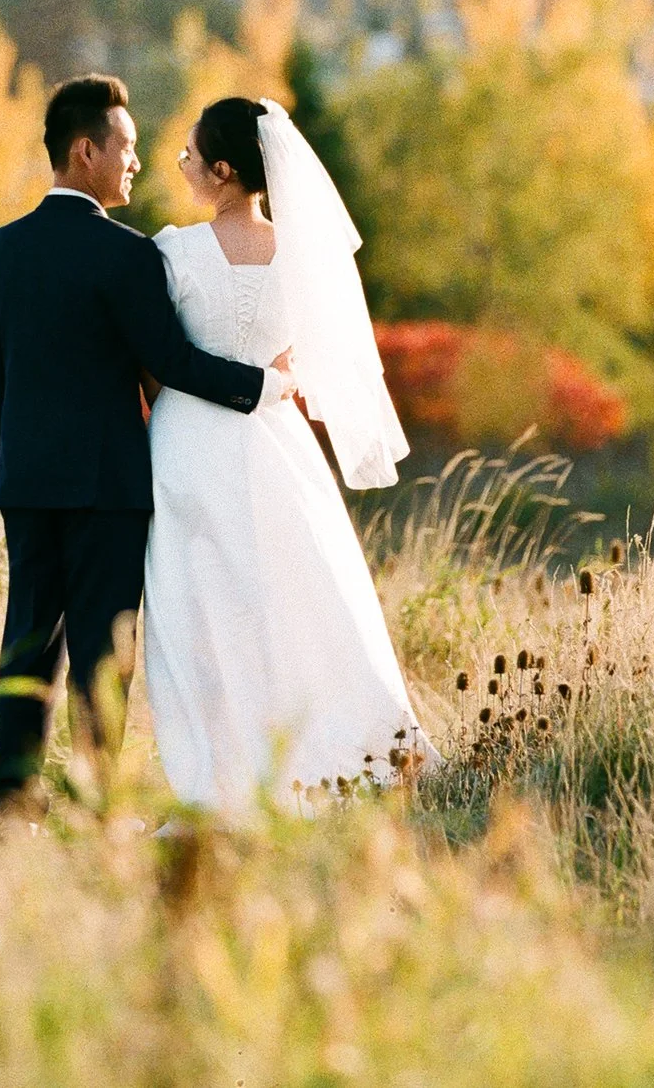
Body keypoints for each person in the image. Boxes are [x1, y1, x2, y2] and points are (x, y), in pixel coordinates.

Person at [0, 74, 294, 815]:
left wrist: (14, 471)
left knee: (26, 645)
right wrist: (266, 387)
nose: (136, 162)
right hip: (110, 490)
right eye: (127, 147)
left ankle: (11, 803)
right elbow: (173, 365)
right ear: (85, 151)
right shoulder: (129, 256)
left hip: (26, 484)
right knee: (102, 658)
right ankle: (96, 802)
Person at [142, 96, 436, 816]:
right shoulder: (301, 257)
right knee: (291, 595)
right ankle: (321, 753)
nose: (179, 164)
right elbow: (306, 356)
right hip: (275, 439)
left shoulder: (174, 251)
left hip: (184, 441)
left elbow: (158, 364)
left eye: (189, 154)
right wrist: (276, 374)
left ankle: (219, 773)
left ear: (222, 169)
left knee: (199, 607)